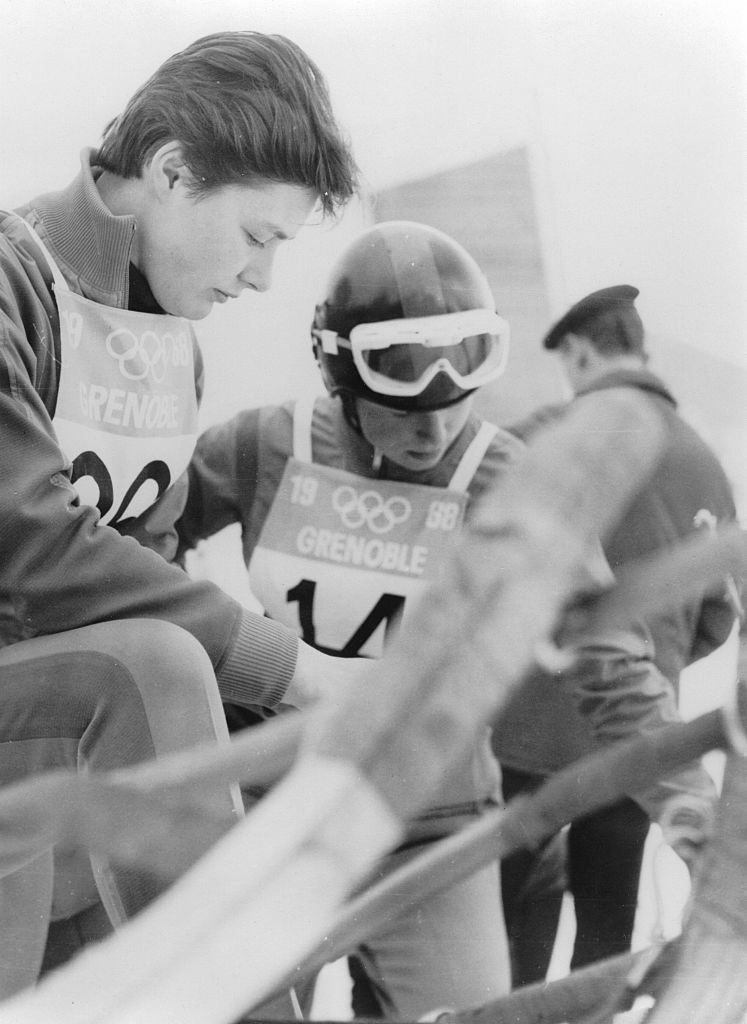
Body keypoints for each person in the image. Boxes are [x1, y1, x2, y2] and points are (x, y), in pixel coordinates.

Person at [0, 30, 360, 996]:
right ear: (170, 170)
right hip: (45, 708)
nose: (261, 280)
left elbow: (143, 571)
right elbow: (31, 542)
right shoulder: (7, 278)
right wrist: (289, 670)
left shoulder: (170, 344)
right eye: (257, 237)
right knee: (156, 663)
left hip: (50, 741)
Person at [178, 221, 520, 1019]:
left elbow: (604, 643)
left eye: (455, 400)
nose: (434, 430)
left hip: (428, 817)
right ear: (344, 385)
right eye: (404, 407)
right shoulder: (269, 442)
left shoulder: (505, 473)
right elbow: (139, 539)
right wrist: (214, 656)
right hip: (273, 807)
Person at [493, 284, 739, 983]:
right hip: (639, 751)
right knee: (605, 936)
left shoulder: (531, 437)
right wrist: (658, 658)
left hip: (525, 740)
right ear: (638, 348)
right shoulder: (704, 462)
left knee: (511, 939)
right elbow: (717, 616)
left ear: (576, 353)